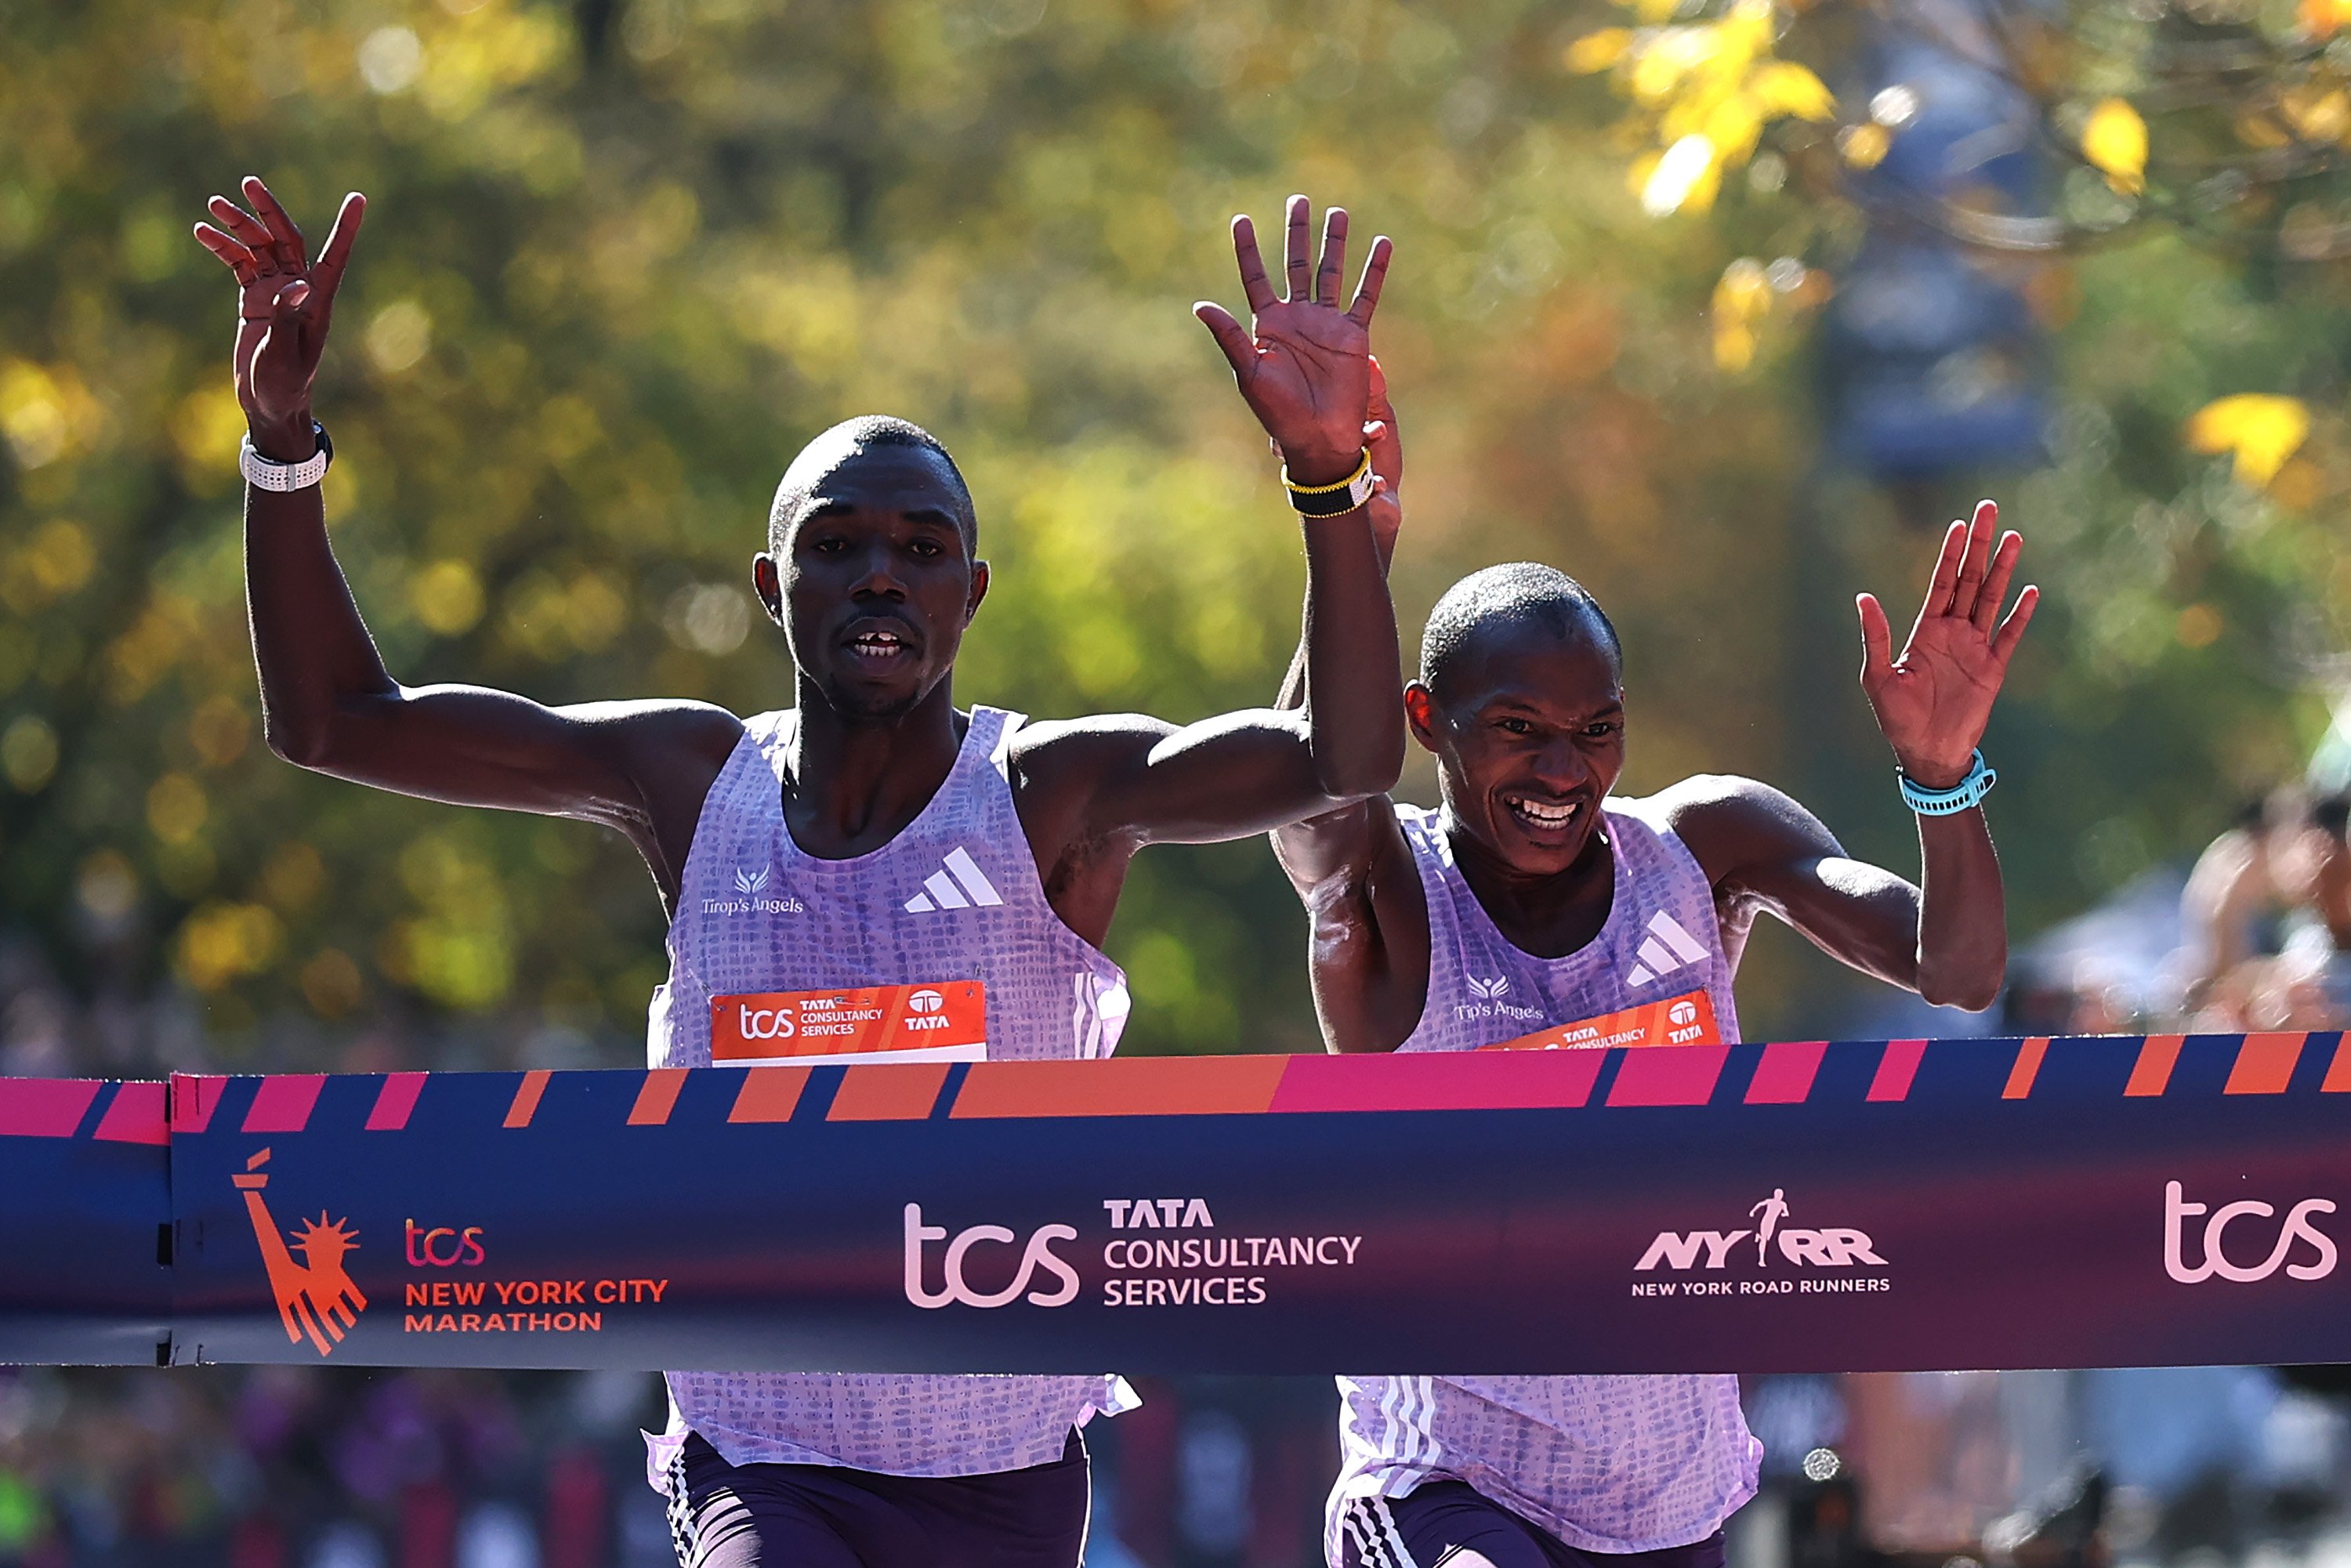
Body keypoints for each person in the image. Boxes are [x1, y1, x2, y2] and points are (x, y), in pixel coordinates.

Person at [194, 179, 1403, 1568]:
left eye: (919, 551)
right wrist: (281, 444)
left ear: (972, 592)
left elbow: (1343, 757)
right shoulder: (691, 786)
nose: (880, 576)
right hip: (761, 1455)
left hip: (995, 1469)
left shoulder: (1050, 797)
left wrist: (1328, 481)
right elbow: (335, 721)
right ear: (775, 586)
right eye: (838, 549)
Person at [1270, 393, 2037, 1568]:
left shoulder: (1702, 850)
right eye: (1519, 728)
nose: (1562, 771)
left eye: (1596, 727)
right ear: (1428, 721)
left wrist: (1941, 774)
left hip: (1673, 1502)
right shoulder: (1390, 896)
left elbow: (1959, 965)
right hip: (1447, 1490)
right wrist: (1350, 532)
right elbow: (1314, 783)